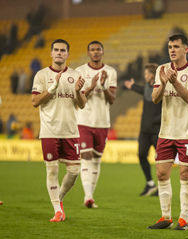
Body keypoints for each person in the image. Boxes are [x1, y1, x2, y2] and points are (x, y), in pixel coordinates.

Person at [148, 34, 188, 230]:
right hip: (166, 131)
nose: (172, 50)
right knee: (162, 174)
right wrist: (163, 82)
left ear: (185, 49)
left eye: (177, 46)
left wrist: (175, 82)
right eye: (170, 46)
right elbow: (155, 99)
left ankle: (183, 219)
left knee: (185, 174)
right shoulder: (161, 69)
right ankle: (165, 217)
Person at [31, 39, 86, 222]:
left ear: (68, 54)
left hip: (70, 131)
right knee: (52, 170)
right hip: (49, 130)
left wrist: (78, 91)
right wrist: (51, 89)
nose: (59, 53)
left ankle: (59, 198)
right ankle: (57, 210)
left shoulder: (75, 75)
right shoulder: (41, 75)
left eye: (63, 50)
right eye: (56, 50)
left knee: (74, 172)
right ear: (51, 53)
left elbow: (82, 104)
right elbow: (35, 101)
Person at [76, 41, 117, 208]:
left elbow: (112, 99)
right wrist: (92, 86)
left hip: (102, 122)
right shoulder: (80, 71)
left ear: (102, 52)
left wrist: (104, 86)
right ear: (88, 53)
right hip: (84, 121)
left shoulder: (110, 72)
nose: (95, 52)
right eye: (92, 50)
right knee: (86, 156)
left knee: (97, 160)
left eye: (98, 49)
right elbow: (78, 98)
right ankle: (88, 196)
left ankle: (90, 196)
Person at [124, 63, 161, 196]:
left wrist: (158, 120)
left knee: (161, 161)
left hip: (157, 130)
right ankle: (150, 184)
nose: (144, 76)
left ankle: (163, 187)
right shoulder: (147, 88)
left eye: (146, 74)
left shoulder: (161, 89)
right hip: (145, 130)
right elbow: (142, 90)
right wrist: (132, 86)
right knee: (141, 155)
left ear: (152, 75)